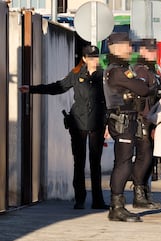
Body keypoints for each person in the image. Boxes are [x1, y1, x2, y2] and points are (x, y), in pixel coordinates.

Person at [19, 45, 108, 210]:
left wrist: (109, 122)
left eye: (96, 57)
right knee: (79, 161)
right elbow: (57, 87)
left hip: (97, 121)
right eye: (90, 57)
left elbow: (111, 100)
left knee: (95, 162)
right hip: (78, 122)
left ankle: (98, 200)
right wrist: (32, 89)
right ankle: (79, 199)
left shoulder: (104, 75)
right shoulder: (75, 75)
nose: (94, 60)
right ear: (84, 59)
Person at [103, 32, 151, 222]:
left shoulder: (121, 68)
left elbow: (142, 87)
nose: (130, 49)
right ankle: (116, 207)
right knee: (123, 162)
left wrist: (138, 84)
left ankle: (118, 205)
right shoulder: (116, 71)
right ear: (117, 47)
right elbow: (144, 88)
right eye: (127, 45)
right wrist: (138, 84)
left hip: (127, 118)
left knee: (125, 161)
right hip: (121, 119)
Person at [131, 38, 161, 209]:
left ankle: (144, 193)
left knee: (150, 158)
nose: (153, 53)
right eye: (150, 50)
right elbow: (141, 95)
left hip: (151, 118)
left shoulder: (152, 70)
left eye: (154, 50)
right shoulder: (141, 71)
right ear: (142, 51)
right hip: (143, 119)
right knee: (144, 157)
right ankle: (139, 195)